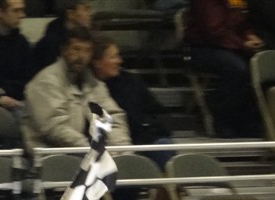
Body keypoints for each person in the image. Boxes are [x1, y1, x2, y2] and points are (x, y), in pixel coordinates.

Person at [22, 26, 131, 154]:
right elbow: (54, 128)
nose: (81, 56)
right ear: (64, 50)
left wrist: (121, 150)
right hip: (49, 154)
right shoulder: (45, 82)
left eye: (87, 51)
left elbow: (112, 118)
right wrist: (93, 151)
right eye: (76, 49)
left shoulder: (94, 83)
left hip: (84, 153)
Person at [91, 35, 173, 171]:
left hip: (145, 139)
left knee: (163, 145)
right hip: (113, 143)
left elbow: (159, 112)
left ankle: (168, 184)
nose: (119, 61)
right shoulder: (89, 88)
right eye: (113, 57)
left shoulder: (132, 82)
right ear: (97, 62)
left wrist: (151, 128)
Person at [183, 0, 265, 137]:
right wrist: (243, 43)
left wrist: (250, 35)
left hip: (231, 46)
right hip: (204, 48)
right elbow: (213, 30)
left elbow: (241, 22)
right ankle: (223, 119)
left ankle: (250, 121)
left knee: (260, 64)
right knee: (237, 69)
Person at [32, 0, 94, 72]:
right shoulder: (51, 43)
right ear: (71, 14)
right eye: (86, 9)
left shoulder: (89, 35)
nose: (91, 13)